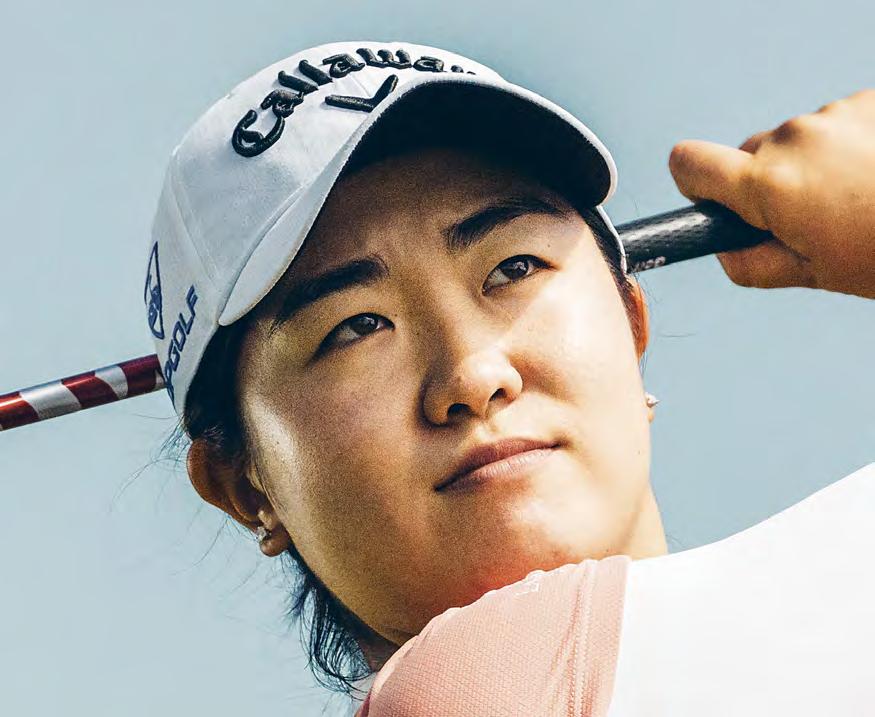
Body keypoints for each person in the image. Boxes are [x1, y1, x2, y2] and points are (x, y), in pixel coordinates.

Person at [144, 39, 874, 715]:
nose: (472, 375)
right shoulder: (474, 688)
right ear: (245, 487)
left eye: (513, 267)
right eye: (355, 326)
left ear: (631, 321)